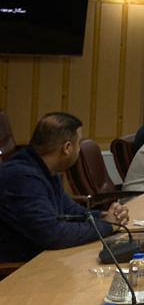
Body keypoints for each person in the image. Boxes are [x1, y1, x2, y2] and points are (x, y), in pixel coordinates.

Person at [0, 112, 130, 262]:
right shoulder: (22, 178)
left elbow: (69, 211)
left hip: (44, 258)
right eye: (78, 144)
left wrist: (102, 216)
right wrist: (107, 226)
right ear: (67, 148)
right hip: (18, 268)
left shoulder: (45, 168)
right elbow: (52, 234)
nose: (79, 150)